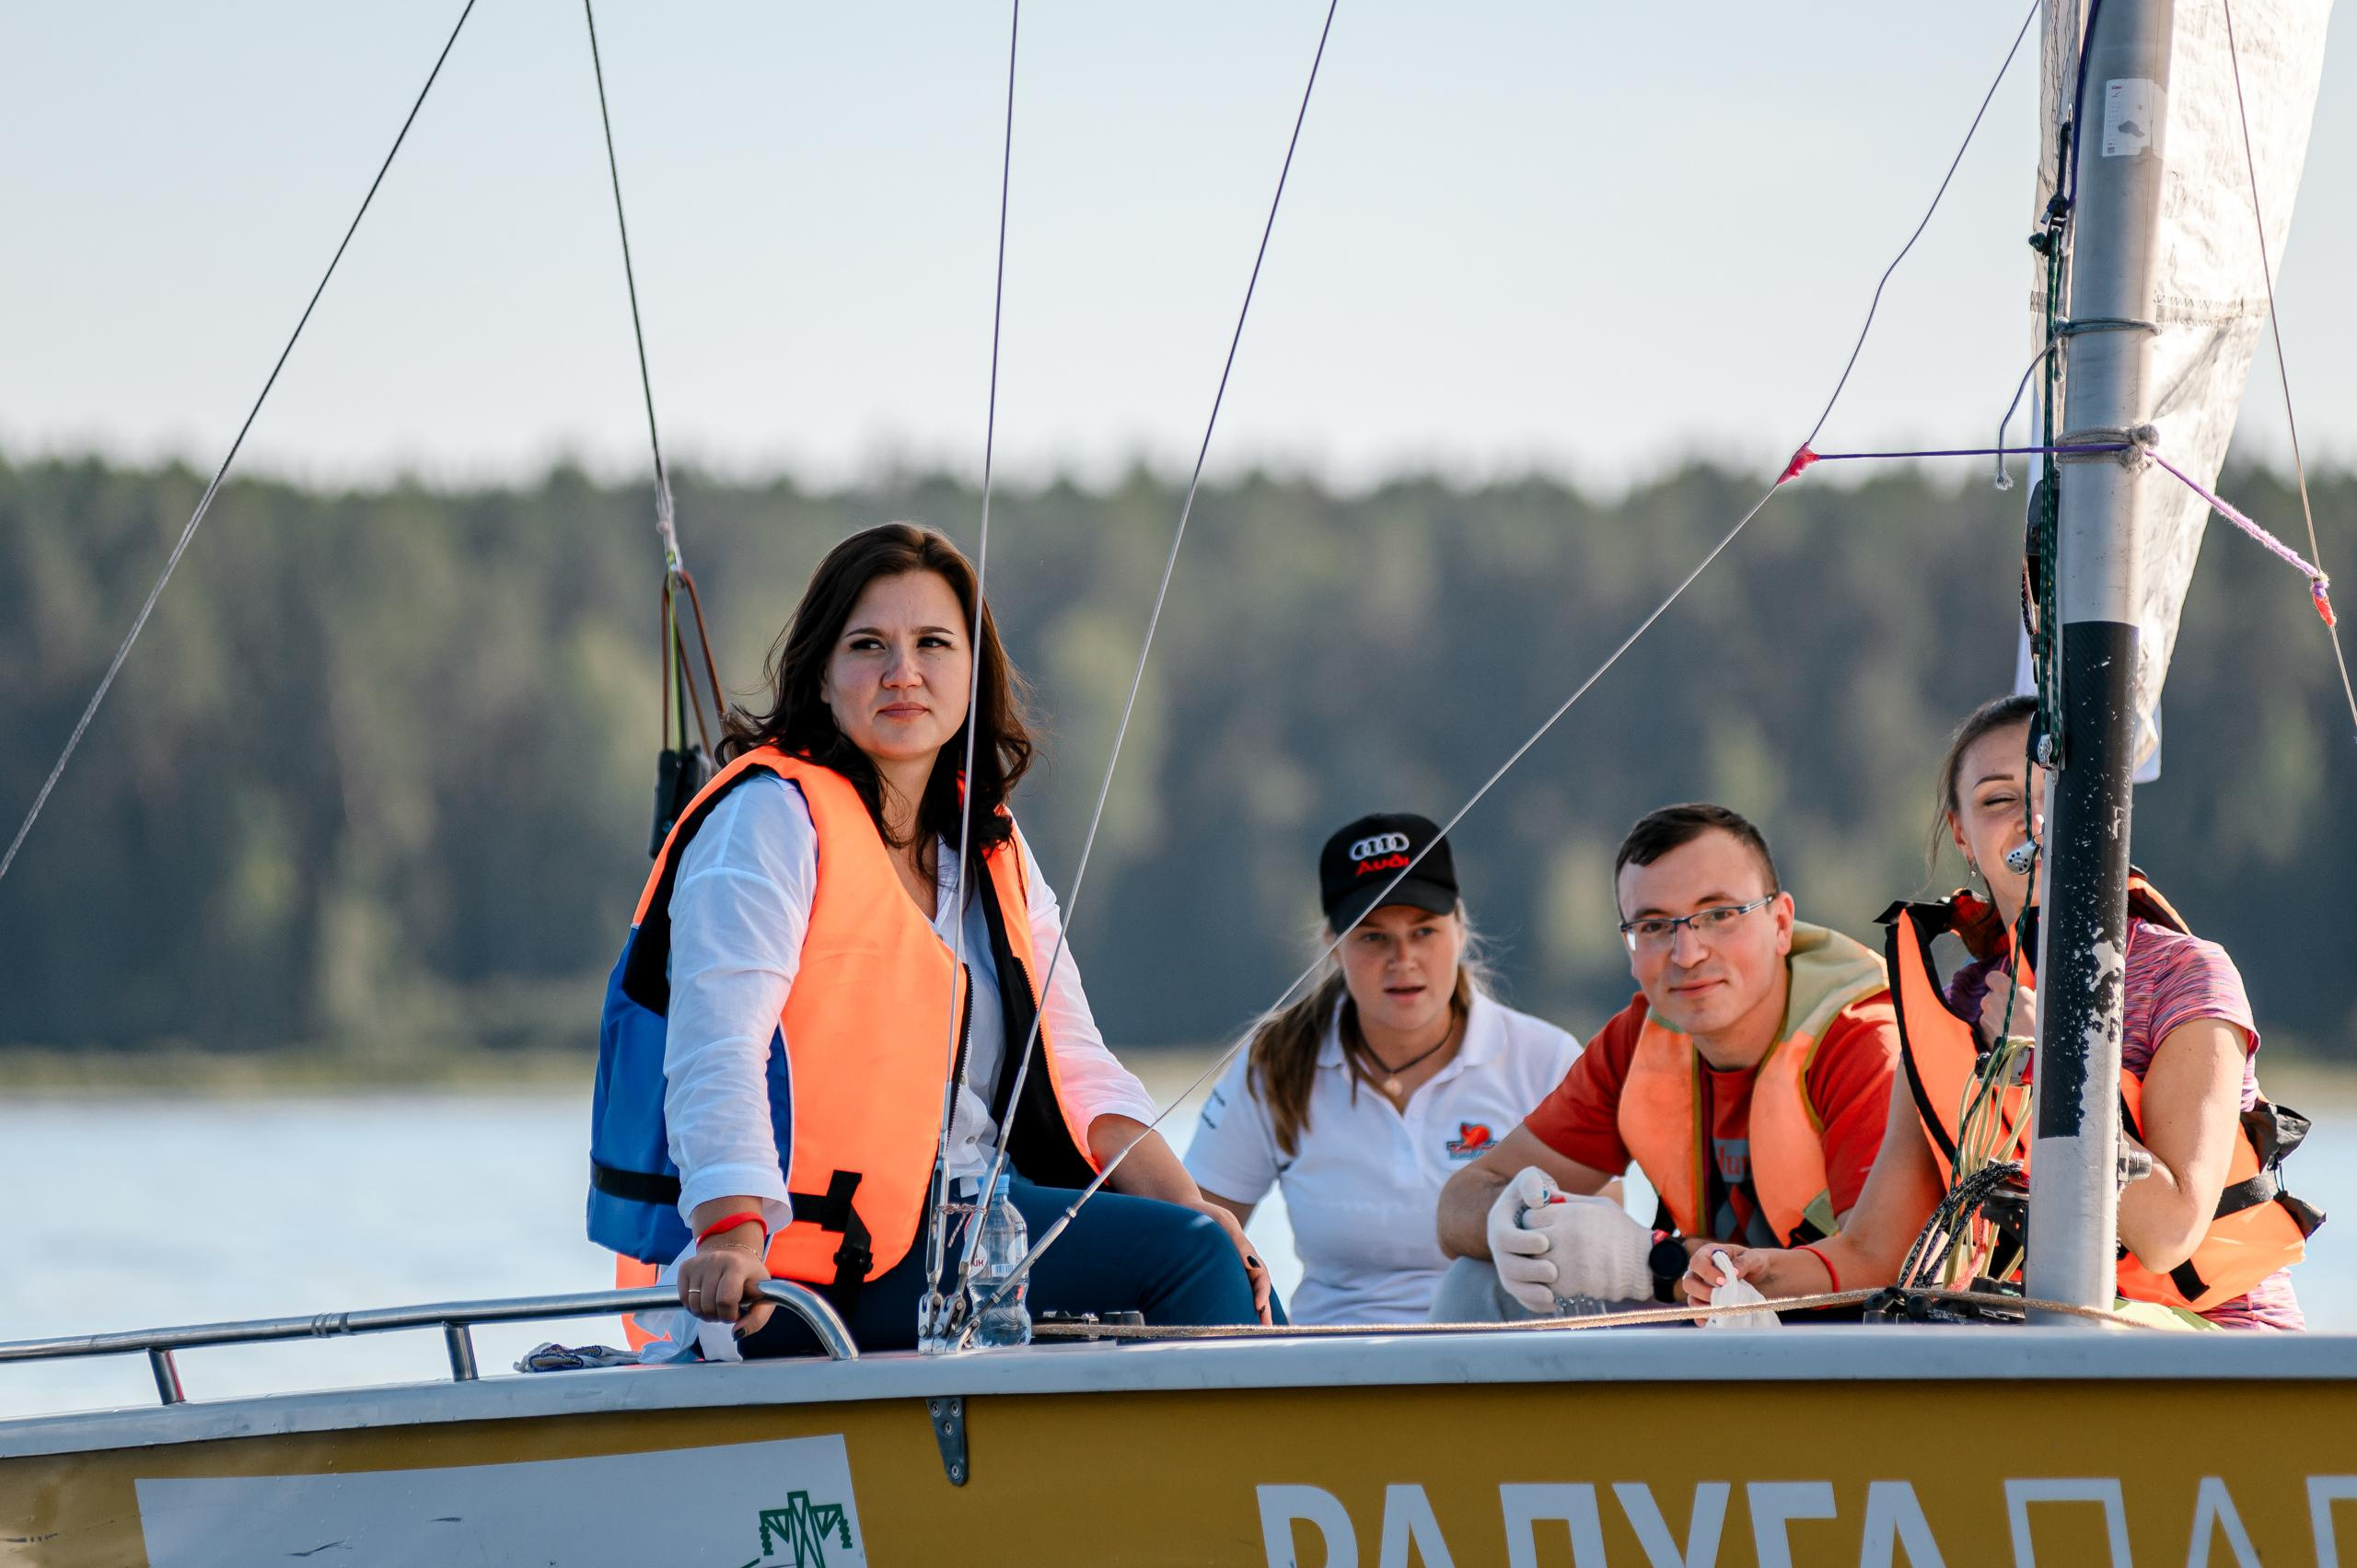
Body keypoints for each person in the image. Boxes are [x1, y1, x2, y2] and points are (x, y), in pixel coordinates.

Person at [587, 521, 1272, 1356]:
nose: (902, 671)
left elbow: (1078, 1065)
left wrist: (1196, 1209)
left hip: (979, 1230)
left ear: (971, 673)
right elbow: (716, 1046)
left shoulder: (991, 848)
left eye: (933, 643)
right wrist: (731, 1229)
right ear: (823, 675)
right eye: (869, 644)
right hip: (801, 1278)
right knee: (1189, 1266)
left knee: (1230, 1270)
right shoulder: (767, 819)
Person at [1685, 695, 2316, 1328]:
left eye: (2054, 790)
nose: (2033, 817)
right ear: (1962, 833)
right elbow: (1873, 1251)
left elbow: (2170, 1232)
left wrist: (2053, 1065)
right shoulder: (1955, 1010)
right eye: (1997, 800)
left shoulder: (2187, 973)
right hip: (2043, 1341)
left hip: (2221, 1348)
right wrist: (1757, 1271)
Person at [1430, 803, 1899, 1319]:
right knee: (1480, 1281)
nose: (1687, 952)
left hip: (1849, 1342)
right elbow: (1459, 1202)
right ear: (1629, 948)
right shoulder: (1635, 1042)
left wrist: (1655, 1262)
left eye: (1719, 915)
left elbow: (1881, 1270)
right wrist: (1511, 1220)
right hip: (1707, 1330)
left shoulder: (1864, 1045)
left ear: (1781, 923)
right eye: (1653, 926)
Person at [1183, 814, 1583, 1324]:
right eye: (1372, 937)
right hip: (1334, 1369)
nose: (1403, 958)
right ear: (1333, 943)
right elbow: (1195, 1234)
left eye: (1424, 931)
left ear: (1460, 930)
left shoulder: (1545, 1058)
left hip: (1506, 1364)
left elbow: (1603, 1223)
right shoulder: (1274, 1063)